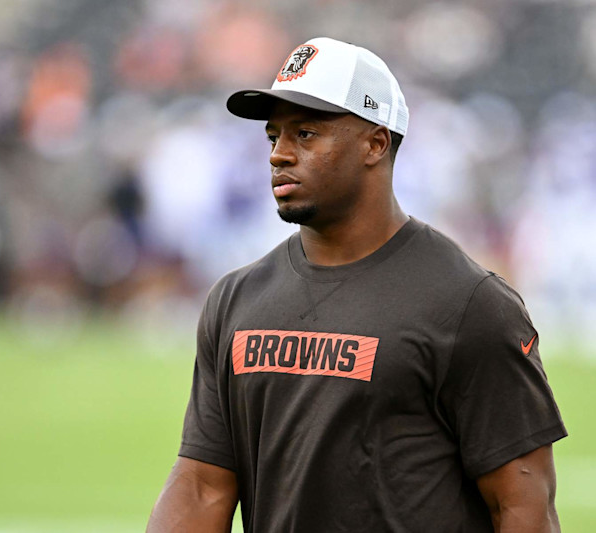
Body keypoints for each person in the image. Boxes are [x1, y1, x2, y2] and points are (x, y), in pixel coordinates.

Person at [147, 37, 566, 532]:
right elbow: (202, 485)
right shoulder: (236, 299)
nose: (279, 155)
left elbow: (522, 506)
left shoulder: (470, 304)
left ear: (375, 143)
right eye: (273, 136)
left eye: (305, 134)